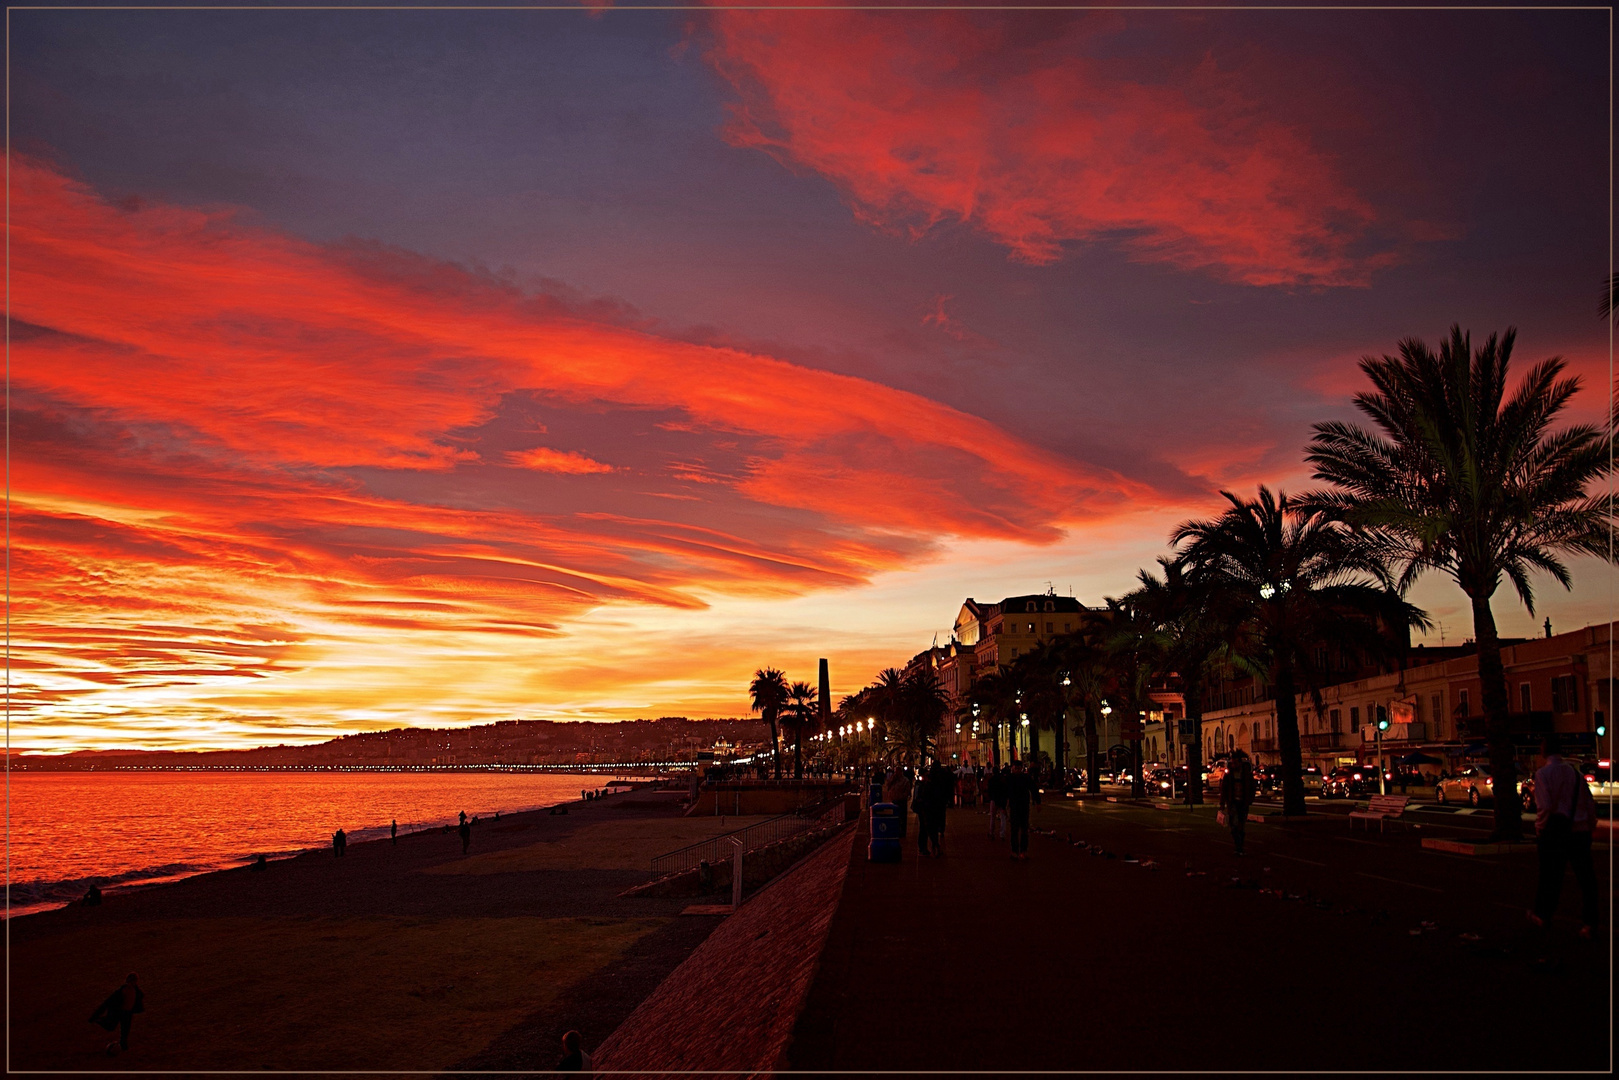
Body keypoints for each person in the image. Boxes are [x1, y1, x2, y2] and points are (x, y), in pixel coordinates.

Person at [1530, 735, 1599, 939]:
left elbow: (1545, 807)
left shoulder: (1543, 774)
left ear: (1544, 751)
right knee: (1586, 879)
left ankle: (1543, 915)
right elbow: (1588, 802)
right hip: (1579, 830)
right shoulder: (1574, 774)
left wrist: (1540, 828)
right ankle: (1589, 922)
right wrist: (1590, 824)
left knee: (1550, 876)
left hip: (1555, 832)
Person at [89, 974, 144, 1055]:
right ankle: (99, 1020)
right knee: (111, 1026)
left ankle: (124, 1047)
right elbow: (107, 1003)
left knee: (125, 1031)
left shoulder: (135, 991)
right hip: (120, 1012)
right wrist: (95, 1016)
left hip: (127, 1013)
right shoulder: (121, 992)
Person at [1219, 750, 1256, 856]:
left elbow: (1251, 787)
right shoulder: (1229, 776)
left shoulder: (1246, 775)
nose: (1234, 765)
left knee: (1241, 825)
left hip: (1243, 803)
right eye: (1232, 763)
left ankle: (1240, 846)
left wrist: (1250, 799)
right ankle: (1238, 845)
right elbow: (1224, 789)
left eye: (1235, 763)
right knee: (1233, 825)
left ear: (1240, 763)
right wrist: (1222, 803)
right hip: (1233, 802)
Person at [1006, 759, 1034, 859]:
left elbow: (1033, 789)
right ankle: (1019, 851)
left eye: (1018, 768)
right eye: (1015, 768)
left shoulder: (1022, 778)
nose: (1016, 770)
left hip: (1020, 806)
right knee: (1018, 830)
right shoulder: (1011, 778)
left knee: (1020, 830)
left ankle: (1020, 851)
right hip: (1018, 806)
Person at [987, 765, 1009, 841]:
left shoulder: (991, 780)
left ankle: (991, 832)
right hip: (1002, 800)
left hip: (994, 800)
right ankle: (1002, 834)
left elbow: (989, 791)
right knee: (1003, 818)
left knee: (992, 817)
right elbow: (1005, 790)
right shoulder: (1002, 779)